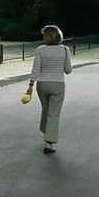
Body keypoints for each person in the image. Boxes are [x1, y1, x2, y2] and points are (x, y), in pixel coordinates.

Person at [25, 25, 73, 153]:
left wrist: (30, 85)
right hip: (57, 84)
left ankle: (45, 130)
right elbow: (68, 70)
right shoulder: (65, 50)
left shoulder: (40, 50)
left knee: (46, 110)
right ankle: (49, 142)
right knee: (54, 113)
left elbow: (36, 69)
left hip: (42, 84)